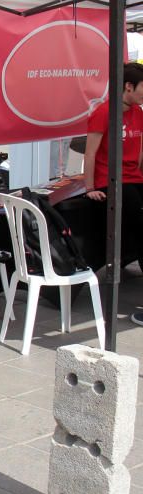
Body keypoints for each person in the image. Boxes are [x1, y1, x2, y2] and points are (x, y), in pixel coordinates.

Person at [80, 62, 143, 325]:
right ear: (128, 87)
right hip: (112, 183)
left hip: (135, 180)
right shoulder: (103, 112)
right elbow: (90, 152)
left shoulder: (139, 112)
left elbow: (139, 154)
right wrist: (90, 187)